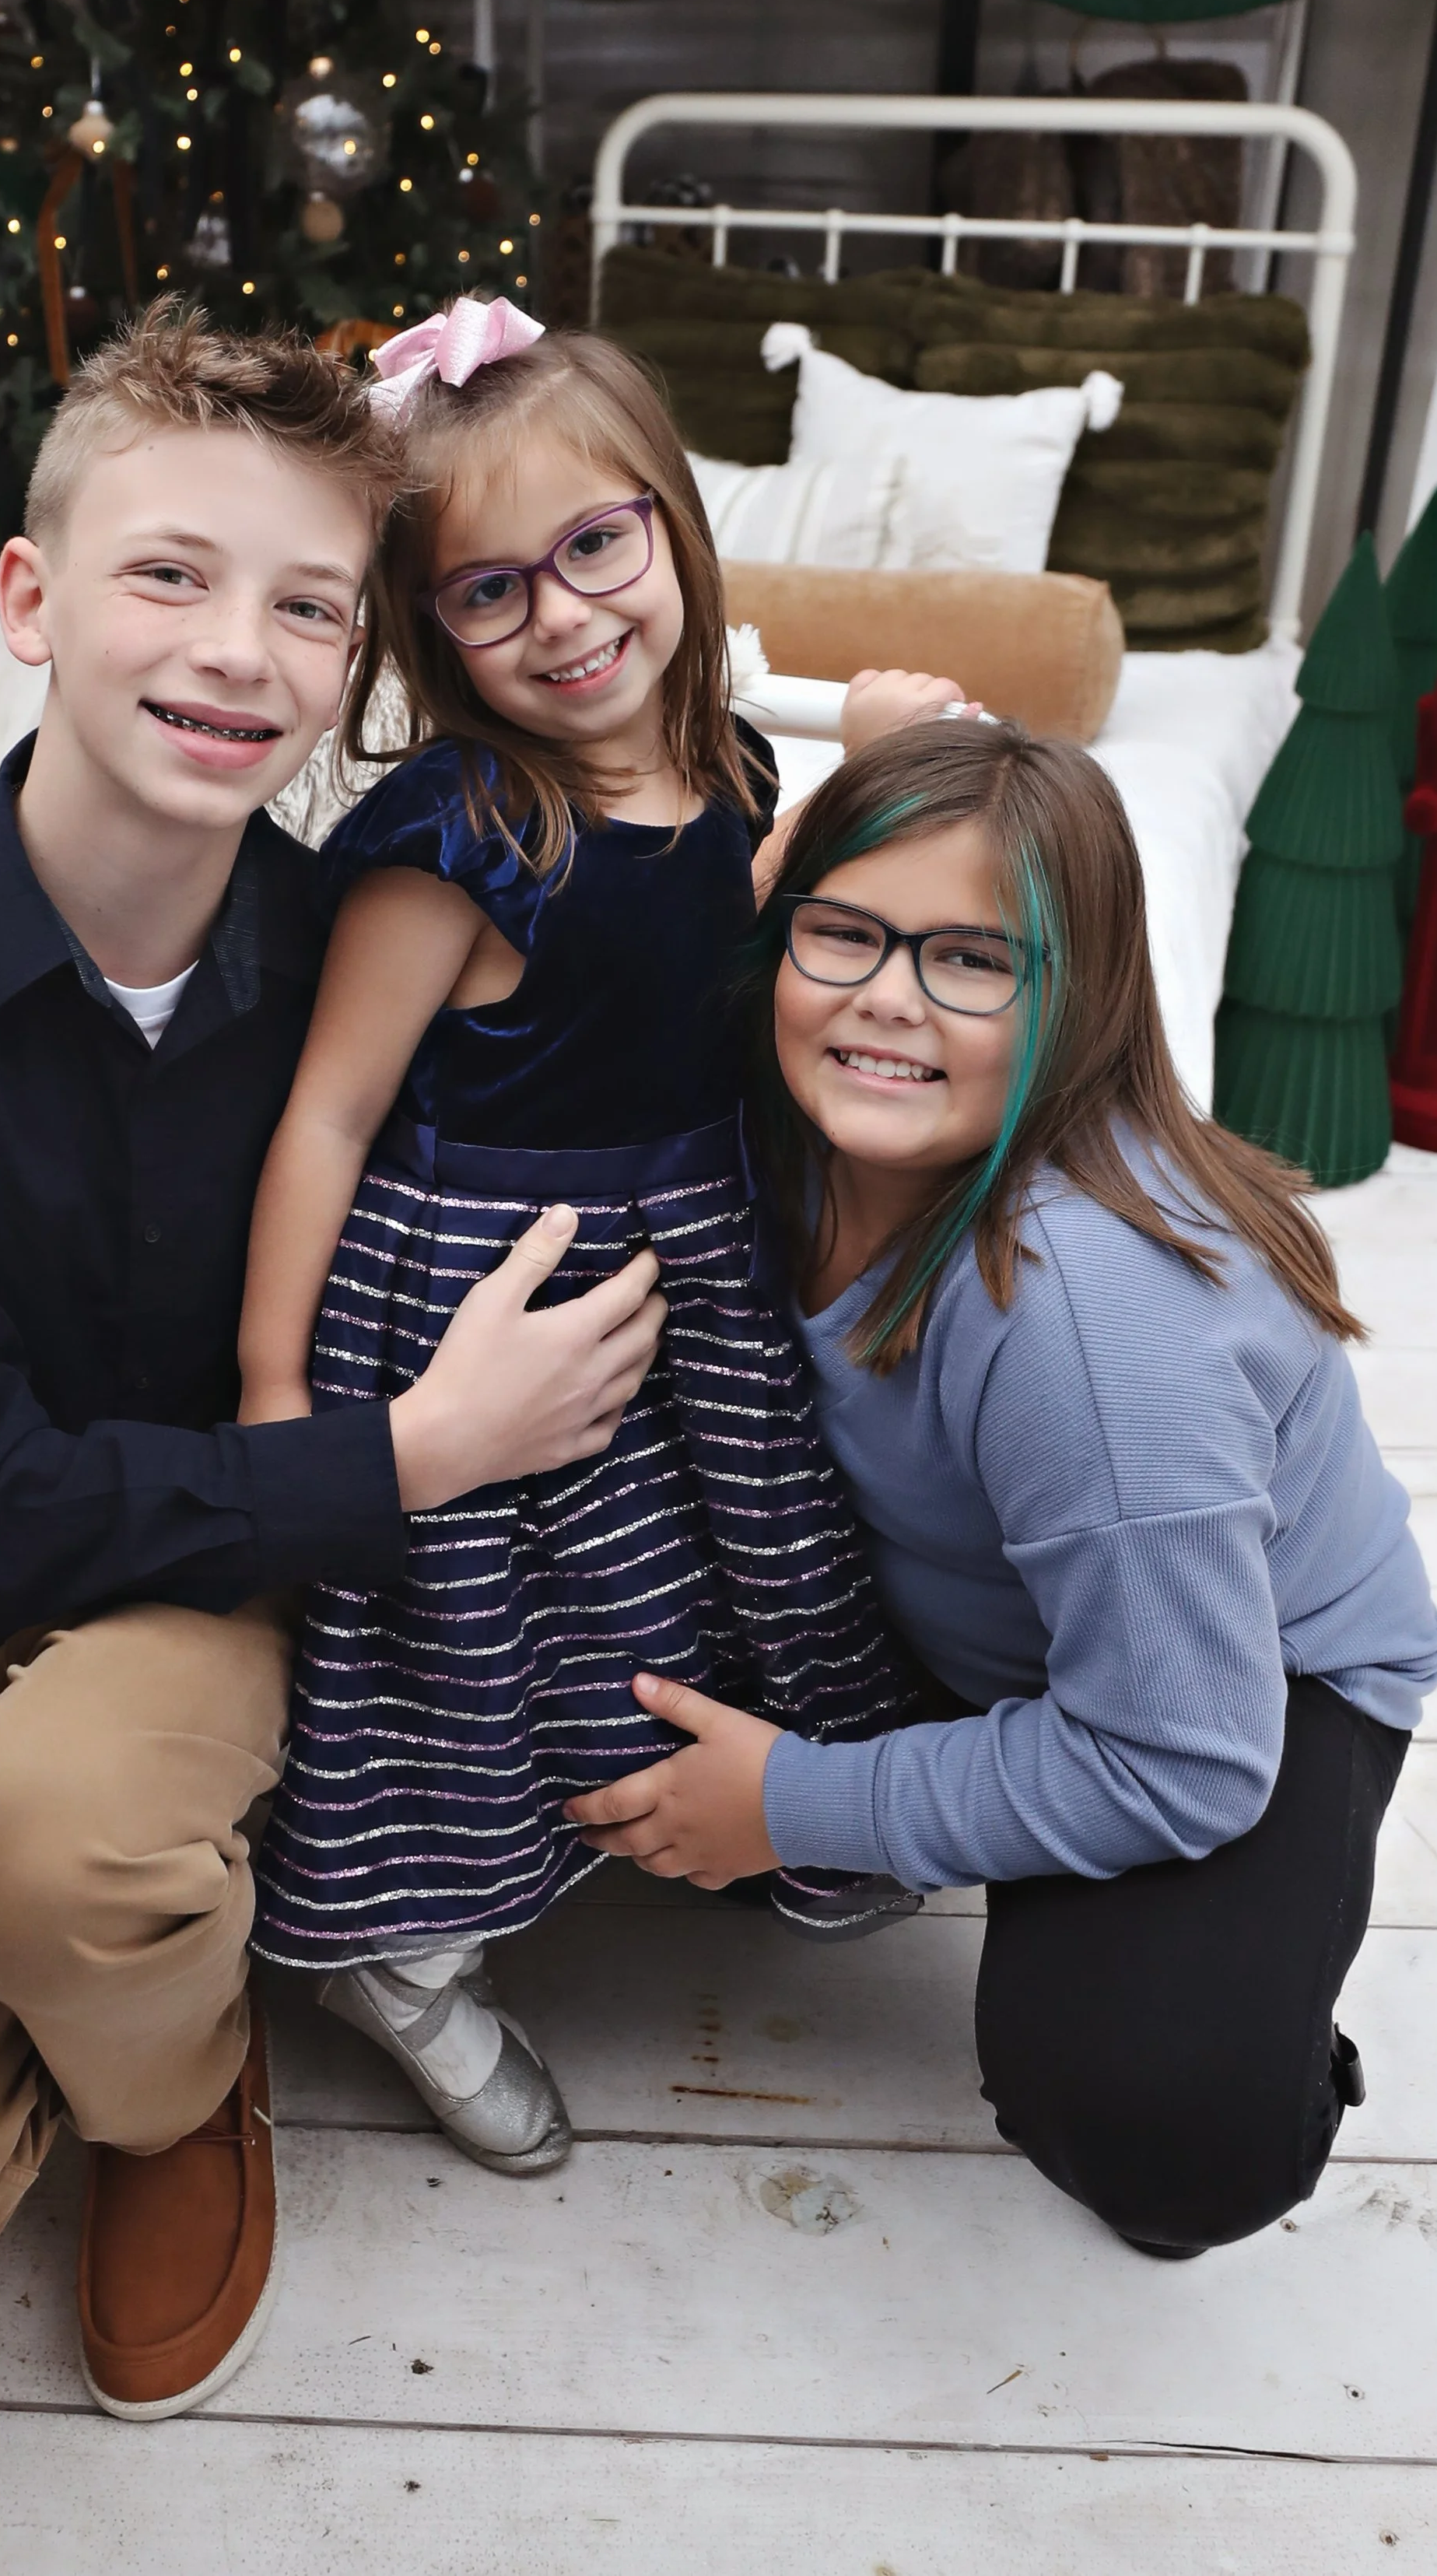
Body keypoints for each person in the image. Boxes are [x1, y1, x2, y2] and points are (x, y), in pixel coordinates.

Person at [0, 307, 667, 2422]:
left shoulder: (365, 940)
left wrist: (898, 781)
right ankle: (74, 1975)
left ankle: (168, 2084)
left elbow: (681, 951)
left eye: (308, 604)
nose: (239, 650)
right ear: (29, 599)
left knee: (53, 1835)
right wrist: (402, 1455)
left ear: (355, 662)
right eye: (169, 574)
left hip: (217, 1575)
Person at [565, 718, 1437, 2259]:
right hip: (983, 1616)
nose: (886, 999)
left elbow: (1180, 1758)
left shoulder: (1082, 1322)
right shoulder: (782, 1115)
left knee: (1154, 2114)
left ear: (1077, 997)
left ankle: (1253, 2021)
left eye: (973, 960)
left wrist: (796, 1803)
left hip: (1239, 1683)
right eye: (842, 936)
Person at [236, 297, 928, 2176]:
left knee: (739, 1544)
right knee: (493, 1626)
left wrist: (867, 758)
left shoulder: (731, 769)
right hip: (488, 1280)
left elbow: (733, 946)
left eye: (596, 548)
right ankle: (411, 1945)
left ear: (673, 535)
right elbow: (326, 1114)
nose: (560, 617)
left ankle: (752, 1813)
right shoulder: (457, 832)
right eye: (485, 591)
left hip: (682, 1245)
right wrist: (280, 1388)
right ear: (422, 628)